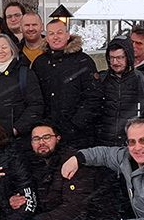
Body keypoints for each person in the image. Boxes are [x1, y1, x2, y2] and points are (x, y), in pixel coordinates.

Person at [32, 19, 102, 150]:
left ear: (68, 35)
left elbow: (94, 97)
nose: (56, 37)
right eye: (51, 34)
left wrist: (75, 125)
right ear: (46, 37)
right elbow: (34, 97)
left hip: (78, 134)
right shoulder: (40, 63)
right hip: (47, 135)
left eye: (59, 32)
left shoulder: (83, 61)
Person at [97, 35, 144, 147]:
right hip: (103, 143)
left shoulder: (143, 80)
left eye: (120, 58)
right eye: (112, 58)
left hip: (133, 144)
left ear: (128, 57)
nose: (115, 62)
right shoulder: (100, 79)